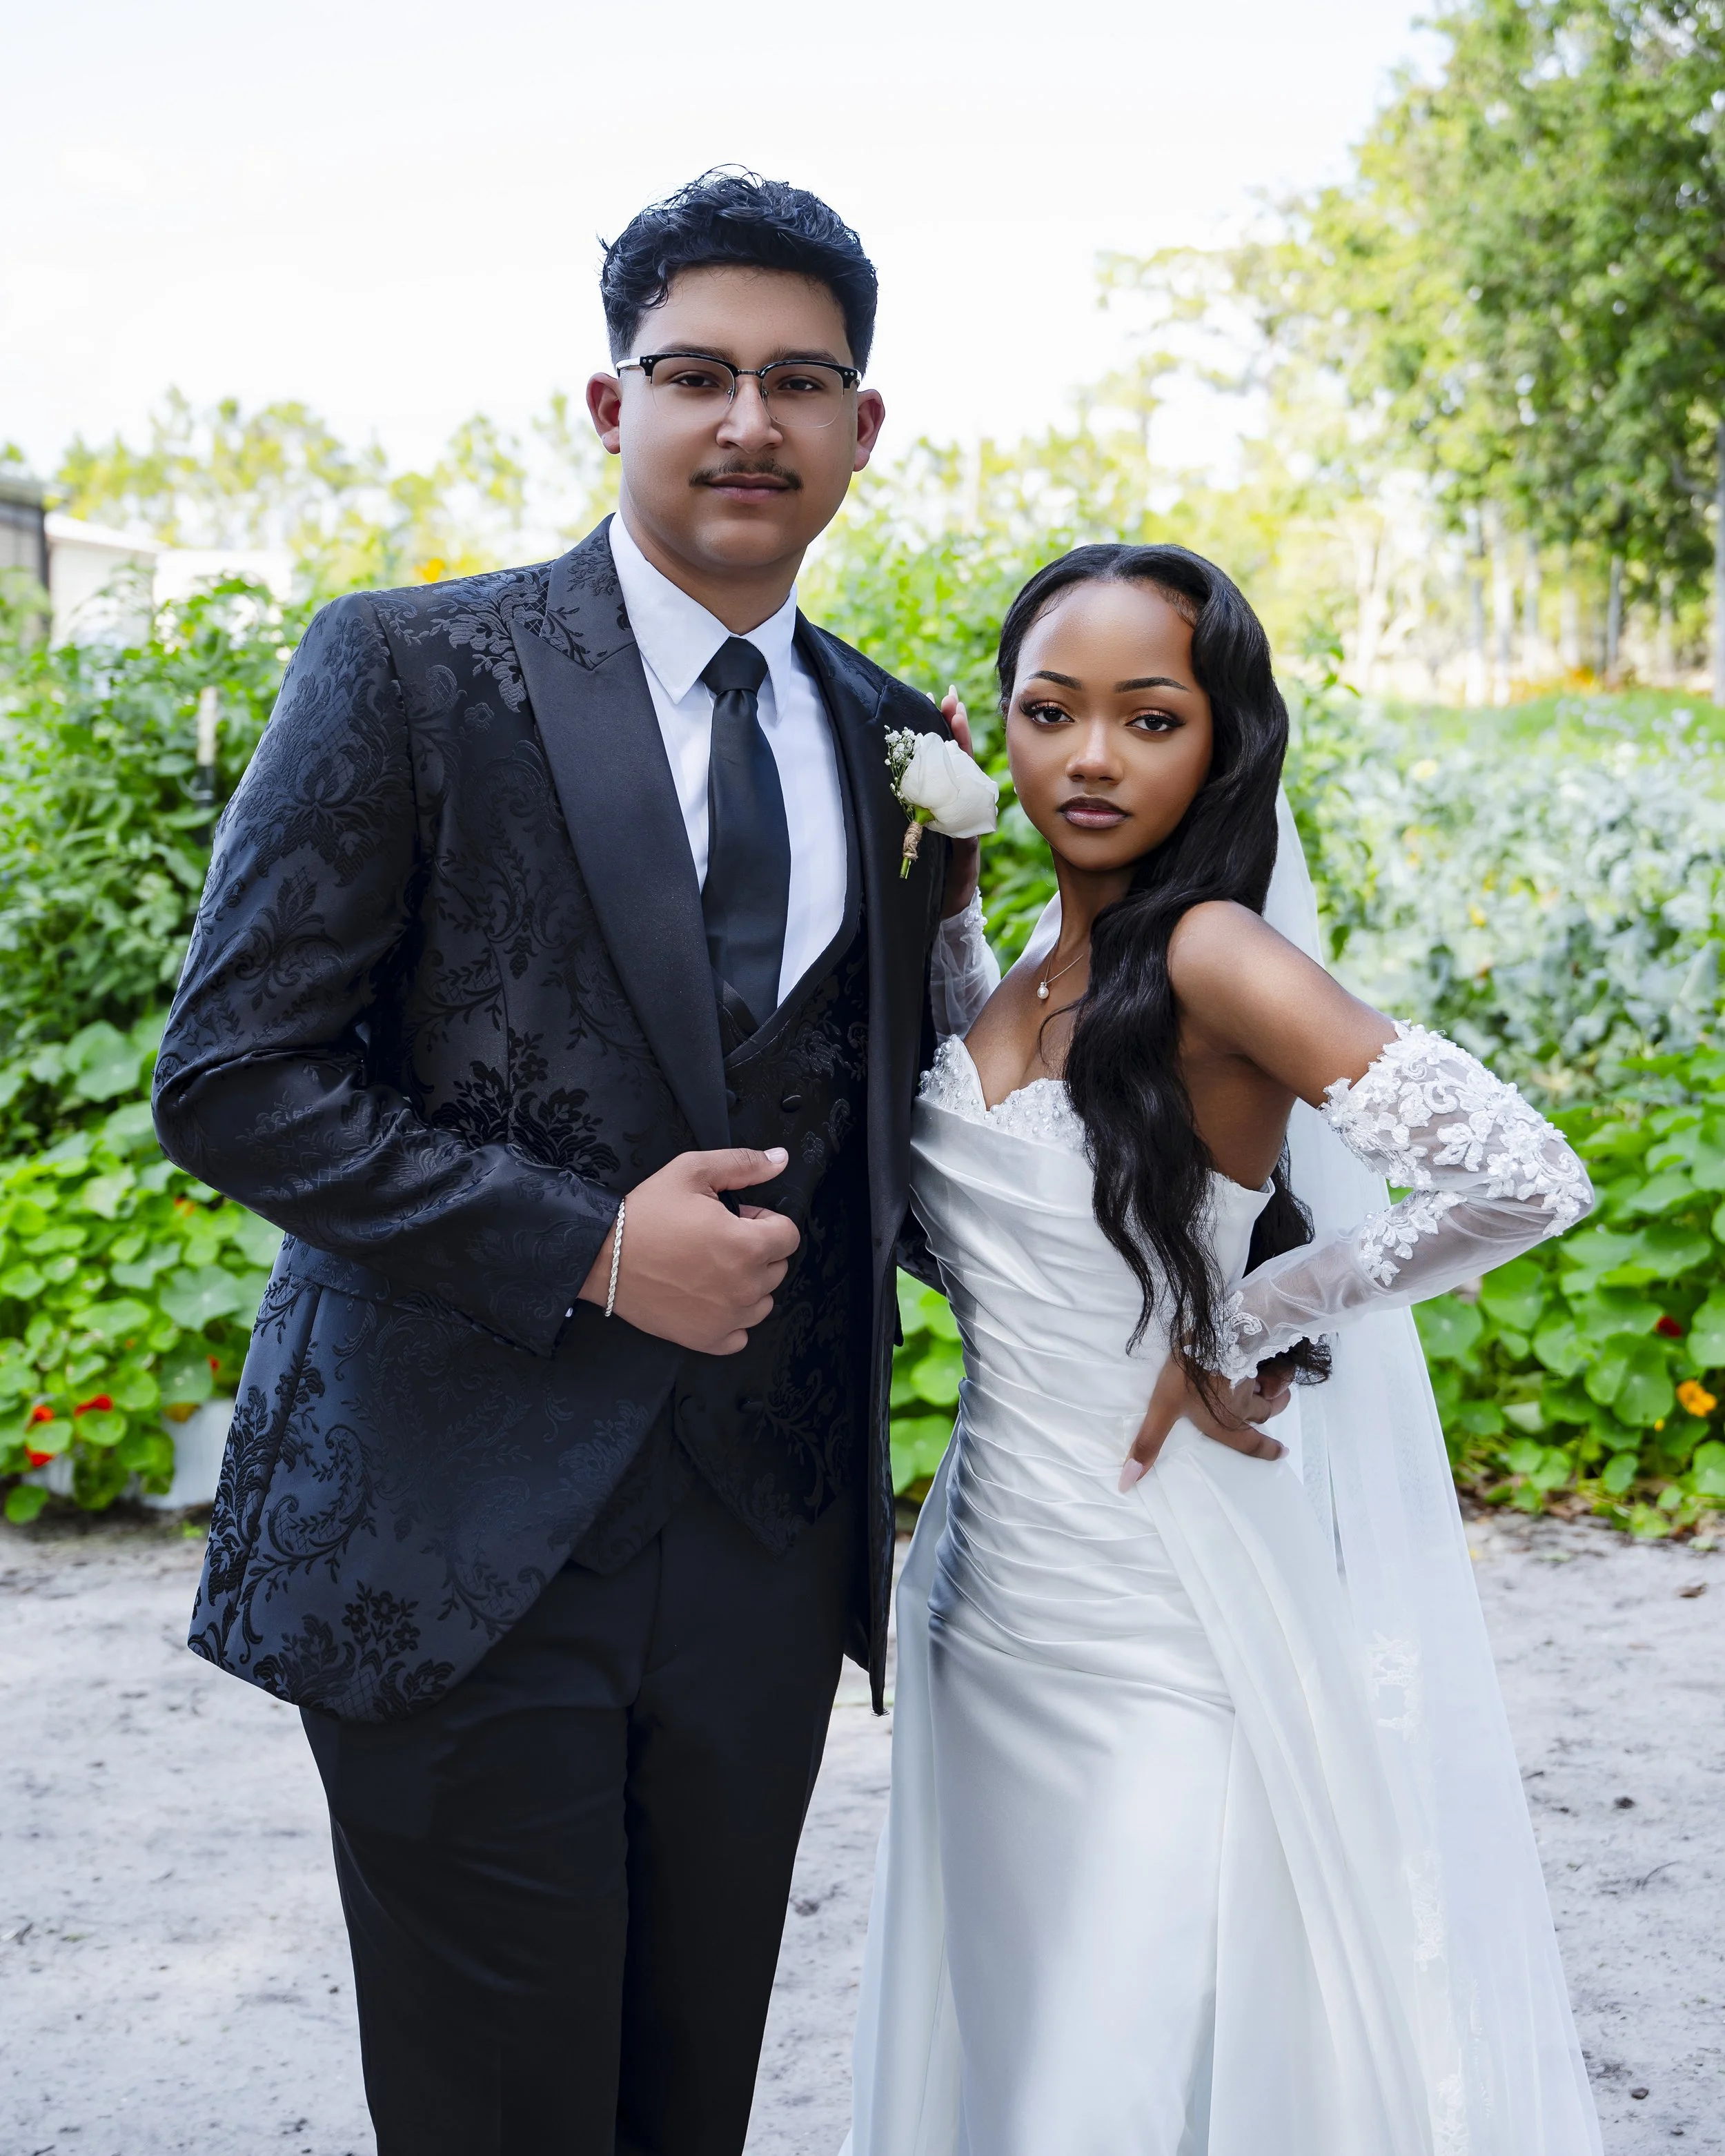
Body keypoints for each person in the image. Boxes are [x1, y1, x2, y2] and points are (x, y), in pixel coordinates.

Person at [152, 171, 996, 2156]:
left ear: (861, 429)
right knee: (501, 2116)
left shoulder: (903, 745)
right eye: (694, 371)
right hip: (457, 1529)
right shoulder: (409, 668)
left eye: (801, 382)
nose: (747, 422)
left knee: (684, 2097)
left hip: (764, 1544)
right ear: (607, 407)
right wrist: (585, 1247)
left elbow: (911, 1112)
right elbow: (233, 1073)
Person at [846, 544, 1606, 2155]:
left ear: (1221, 742)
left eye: (1148, 714)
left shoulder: (1213, 953)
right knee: (1013, 2022)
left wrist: (1242, 1318)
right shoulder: (998, 965)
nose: (1090, 756)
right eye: (1047, 712)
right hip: (983, 1596)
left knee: (1112, 2057)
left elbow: (1527, 1177)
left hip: (1160, 1609)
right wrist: (948, 895)